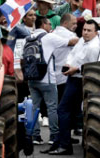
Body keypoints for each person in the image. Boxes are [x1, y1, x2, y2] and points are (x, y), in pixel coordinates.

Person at [51, 19, 100, 155]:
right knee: (66, 111)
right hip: (72, 77)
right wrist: (68, 65)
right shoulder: (81, 41)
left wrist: (76, 69)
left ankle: (64, 145)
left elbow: (92, 67)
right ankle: (59, 142)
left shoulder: (94, 47)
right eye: (84, 30)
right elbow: (72, 55)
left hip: (81, 80)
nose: (85, 33)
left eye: (89, 30)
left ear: (96, 33)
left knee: (62, 110)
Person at [28, 16, 78, 148]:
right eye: (49, 24)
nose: (51, 27)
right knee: (52, 107)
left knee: (34, 107)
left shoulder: (29, 37)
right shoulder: (48, 37)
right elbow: (71, 42)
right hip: (47, 78)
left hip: (32, 78)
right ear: (44, 25)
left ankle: (35, 136)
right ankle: (54, 136)